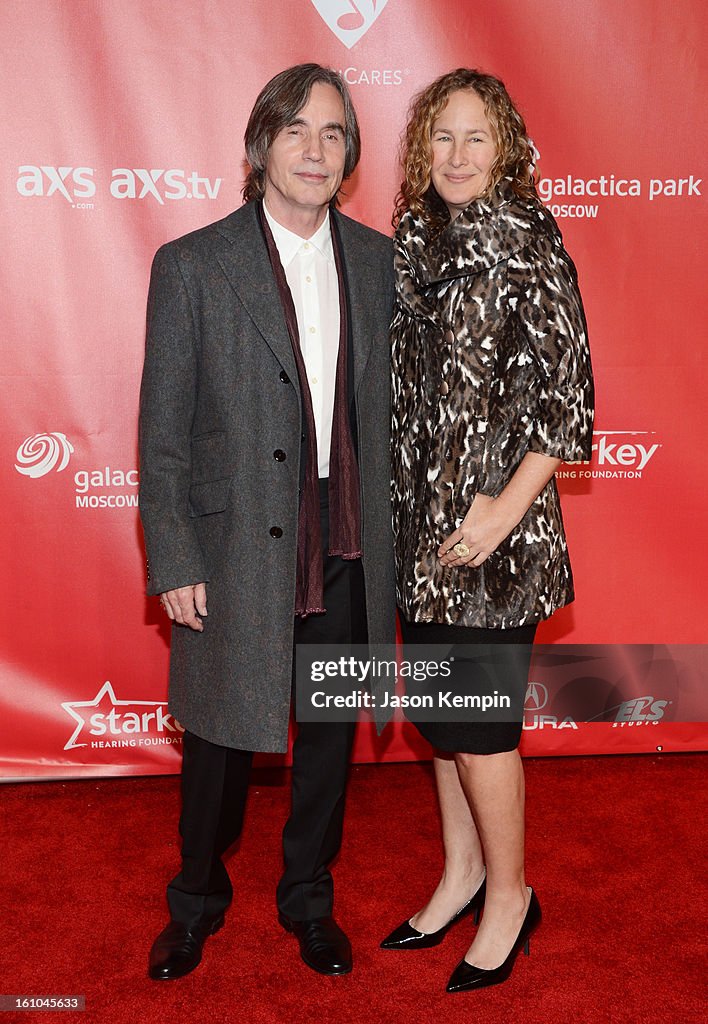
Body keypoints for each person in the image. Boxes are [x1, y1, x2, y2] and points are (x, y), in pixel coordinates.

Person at [139, 63, 395, 981]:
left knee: (325, 737)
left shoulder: (379, 261)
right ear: (262, 146)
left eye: (333, 133)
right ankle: (196, 902)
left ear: (350, 153)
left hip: (346, 543)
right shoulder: (195, 264)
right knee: (215, 740)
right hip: (234, 545)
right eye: (297, 130)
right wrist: (173, 553)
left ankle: (308, 901)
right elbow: (162, 431)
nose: (315, 149)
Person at [382, 69, 594, 993]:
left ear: (504, 147)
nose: (457, 157)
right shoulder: (412, 243)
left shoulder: (531, 237)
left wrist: (502, 515)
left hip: (496, 534)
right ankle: (462, 873)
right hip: (420, 534)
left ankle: (510, 894)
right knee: (443, 721)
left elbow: (569, 399)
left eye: (475, 138)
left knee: (484, 725)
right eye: (441, 138)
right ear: (420, 151)